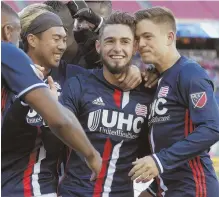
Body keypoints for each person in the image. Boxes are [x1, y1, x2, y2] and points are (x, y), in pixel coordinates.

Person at [1, 2, 102, 196]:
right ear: (31, 39)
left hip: (43, 186)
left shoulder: (72, 76)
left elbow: (111, 74)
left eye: (65, 39)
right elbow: (59, 120)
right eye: (56, 39)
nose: (62, 46)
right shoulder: (9, 69)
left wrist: (98, 30)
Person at [58, 12, 155, 197]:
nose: (117, 48)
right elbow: (60, 127)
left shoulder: (148, 93)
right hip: (74, 192)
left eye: (124, 42)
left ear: (134, 47)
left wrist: (153, 190)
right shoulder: (78, 83)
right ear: (98, 46)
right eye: (110, 41)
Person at [128, 7, 219, 197]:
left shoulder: (189, 73)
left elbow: (212, 128)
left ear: (170, 37)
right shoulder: (157, 81)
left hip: (195, 188)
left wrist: (159, 161)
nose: (141, 44)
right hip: (168, 187)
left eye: (148, 36)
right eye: (138, 39)